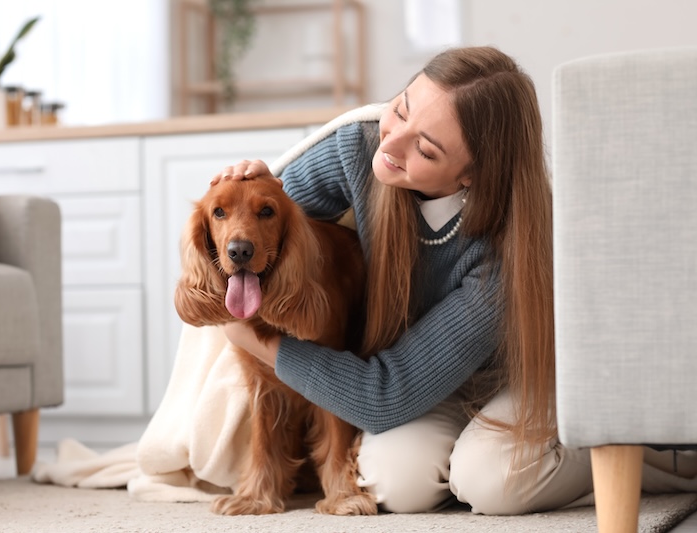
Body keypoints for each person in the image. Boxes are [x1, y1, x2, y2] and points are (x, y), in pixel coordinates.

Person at [213, 45, 697, 515]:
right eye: (401, 110)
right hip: (432, 380)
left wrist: (254, 341)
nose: (391, 143)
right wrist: (261, 181)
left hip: (516, 375)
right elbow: (254, 228)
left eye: (424, 148)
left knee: (492, 483)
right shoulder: (358, 147)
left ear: (472, 175)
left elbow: (386, 397)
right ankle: (469, 459)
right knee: (394, 483)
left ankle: (654, 454)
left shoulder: (505, 254)